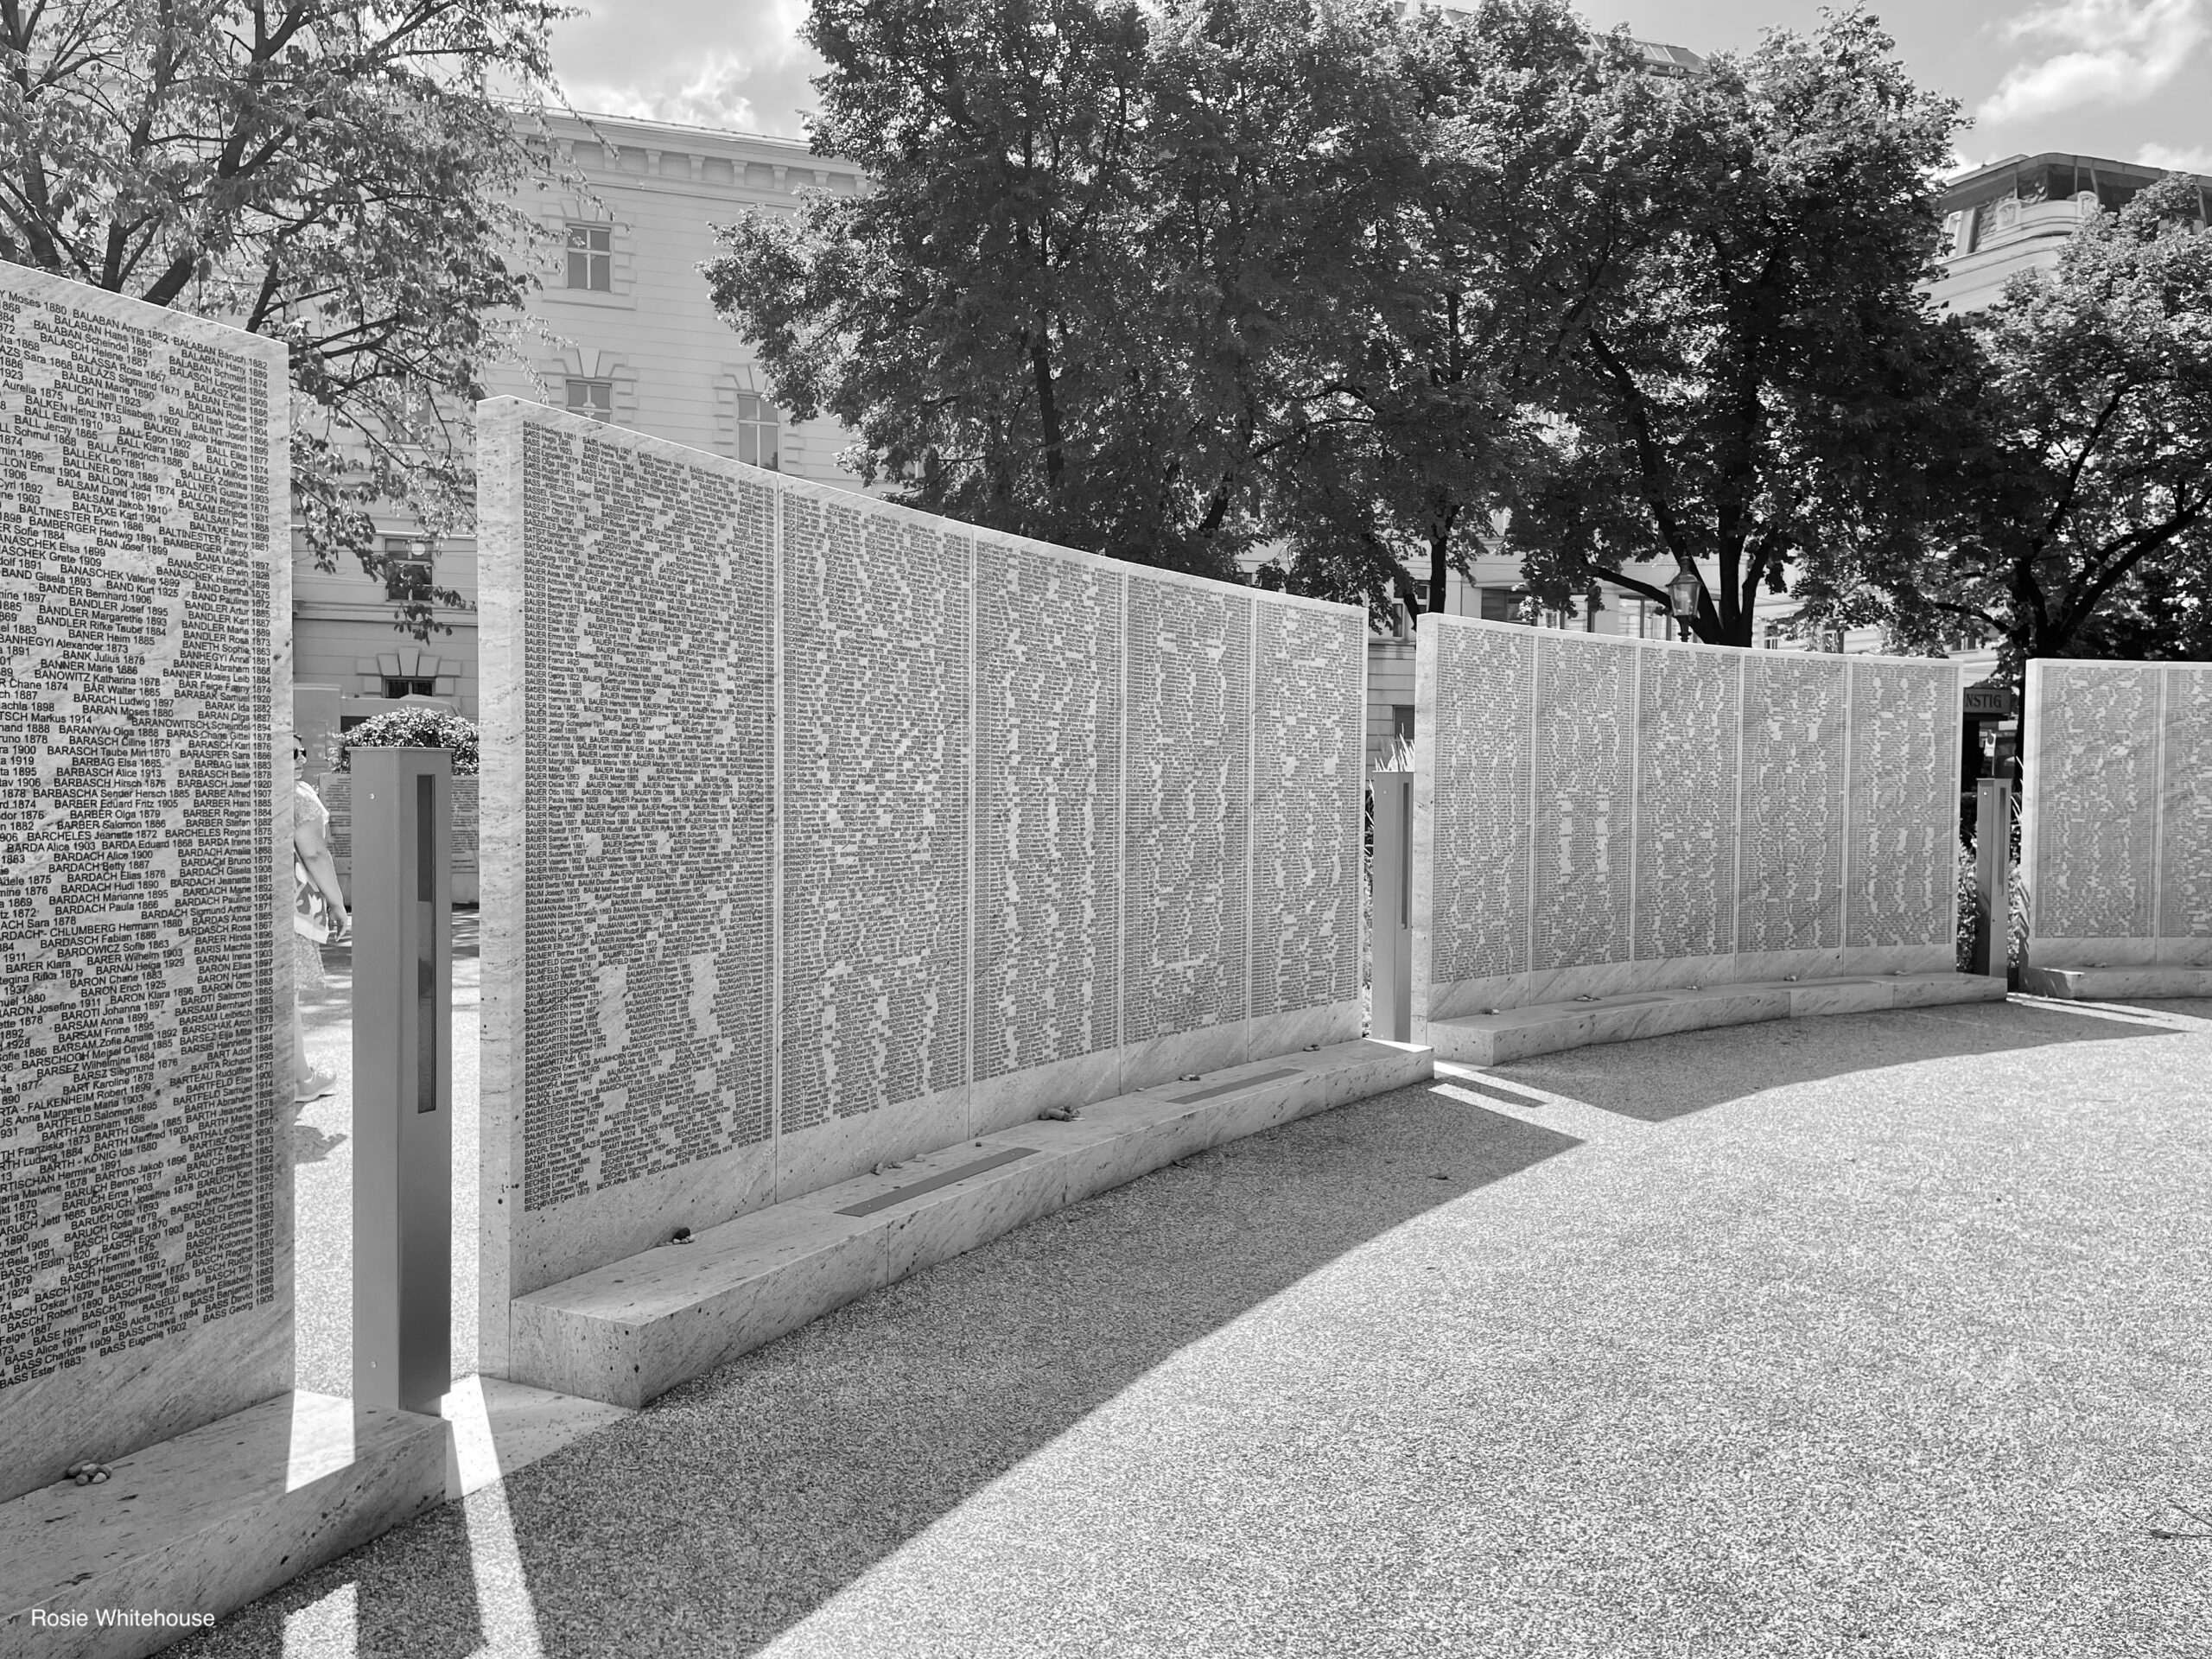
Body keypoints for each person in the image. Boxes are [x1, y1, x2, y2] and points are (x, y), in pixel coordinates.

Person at [292, 734, 350, 1103]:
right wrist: (337, 903)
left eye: (301, 751)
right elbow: (314, 853)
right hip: (290, 907)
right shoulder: (298, 795)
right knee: (285, 999)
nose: (299, 758)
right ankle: (301, 1081)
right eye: (289, 752)